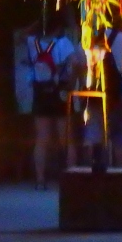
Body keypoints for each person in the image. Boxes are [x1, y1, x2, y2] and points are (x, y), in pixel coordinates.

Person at [25, 22, 78, 189]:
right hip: (59, 92)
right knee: (67, 139)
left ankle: (40, 180)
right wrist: (72, 83)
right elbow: (74, 64)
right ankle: (72, 178)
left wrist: (33, 25)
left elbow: (22, 37)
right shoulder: (63, 43)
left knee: (41, 139)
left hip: (40, 92)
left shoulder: (32, 42)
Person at [80, 31, 122, 169]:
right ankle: (119, 174)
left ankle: (92, 170)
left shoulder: (86, 39)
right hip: (118, 93)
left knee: (94, 133)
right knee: (120, 135)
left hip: (94, 93)